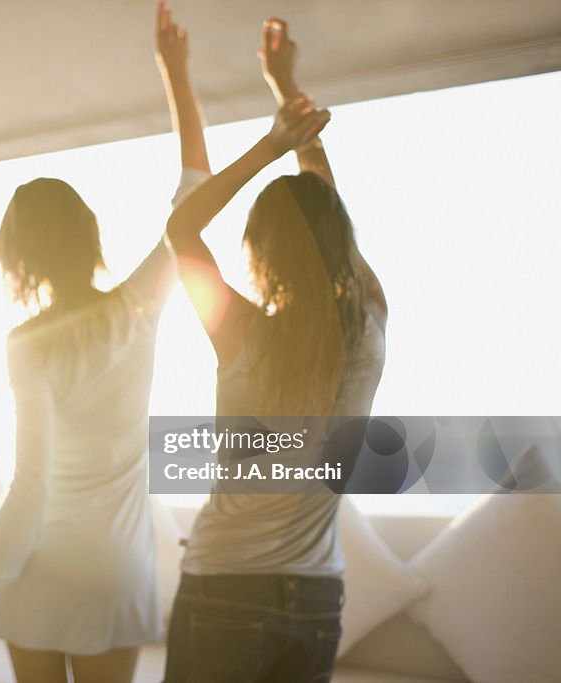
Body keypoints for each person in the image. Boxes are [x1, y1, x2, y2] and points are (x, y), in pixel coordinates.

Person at [0, 4, 210, 680]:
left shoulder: (28, 344)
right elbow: (195, 188)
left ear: (20, 256)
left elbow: (29, 489)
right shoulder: (139, 305)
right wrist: (175, 73)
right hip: (117, 572)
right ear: (87, 234)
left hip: (44, 570)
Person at [162, 18, 388, 683]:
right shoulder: (369, 331)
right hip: (317, 599)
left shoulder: (241, 332)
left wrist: (272, 142)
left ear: (259, 251)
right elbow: (329, 221)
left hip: (225, 588)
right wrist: (287, 91)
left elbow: (181, 227)